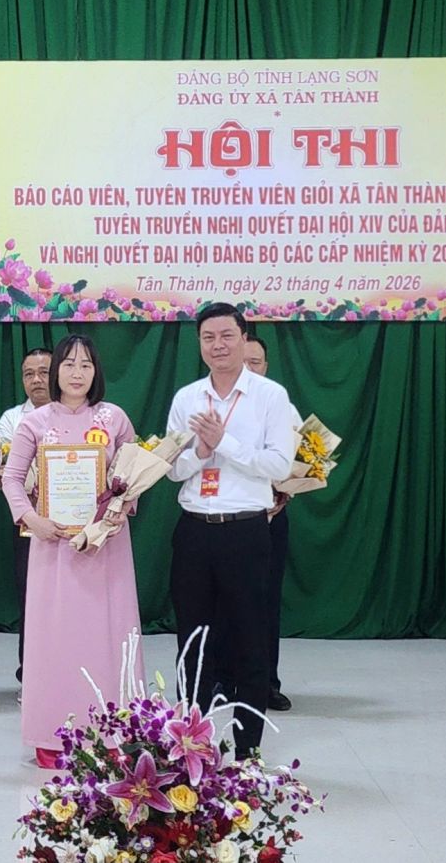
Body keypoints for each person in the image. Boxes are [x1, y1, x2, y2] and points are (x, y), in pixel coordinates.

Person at [0, 334, 141, 767]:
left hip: (105, 548)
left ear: (96, 371)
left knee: (107, 637)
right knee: (54, 640)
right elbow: (11, 478)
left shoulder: (114, 418)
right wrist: (31, 519)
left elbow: (135, 475)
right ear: (56, 371)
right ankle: (52, 735)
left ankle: (113, 736)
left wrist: (121, 509)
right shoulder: (35, 422)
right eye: (69, 364)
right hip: (53, 548)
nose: (77, 373)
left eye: (86, 364)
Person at [165, 303, 297, 758]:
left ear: (244, 338)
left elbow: (279, 465)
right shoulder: (187, 398)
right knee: (192, 641)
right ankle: (192, 747)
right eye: (208, 338)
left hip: (245, 532)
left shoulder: (270, 396)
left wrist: (227, 443)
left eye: (226, 336)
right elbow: (172, 470)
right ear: (199, 343)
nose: (217, 345)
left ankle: (247, 752)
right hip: (194, 531)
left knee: (249, 640)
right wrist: (201, 452)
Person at [243, 335, 298, 713]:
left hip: (269, 520)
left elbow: (302, 459)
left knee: (265, 603)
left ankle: (265, 684)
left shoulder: (281, 405)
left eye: (256, 362)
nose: (250, 368)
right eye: (243, 360)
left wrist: (287, 491)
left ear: (266, 366)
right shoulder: (212, 404)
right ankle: (222, 681)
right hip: (222, 521)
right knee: (222, 604)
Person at [0, 347, 52, 687]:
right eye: (29, 374)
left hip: (74, 524)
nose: (37, 380)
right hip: (27, 522)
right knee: (31, 597)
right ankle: (30, 674)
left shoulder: (78, 415)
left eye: (44, 372)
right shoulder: (12, 419)